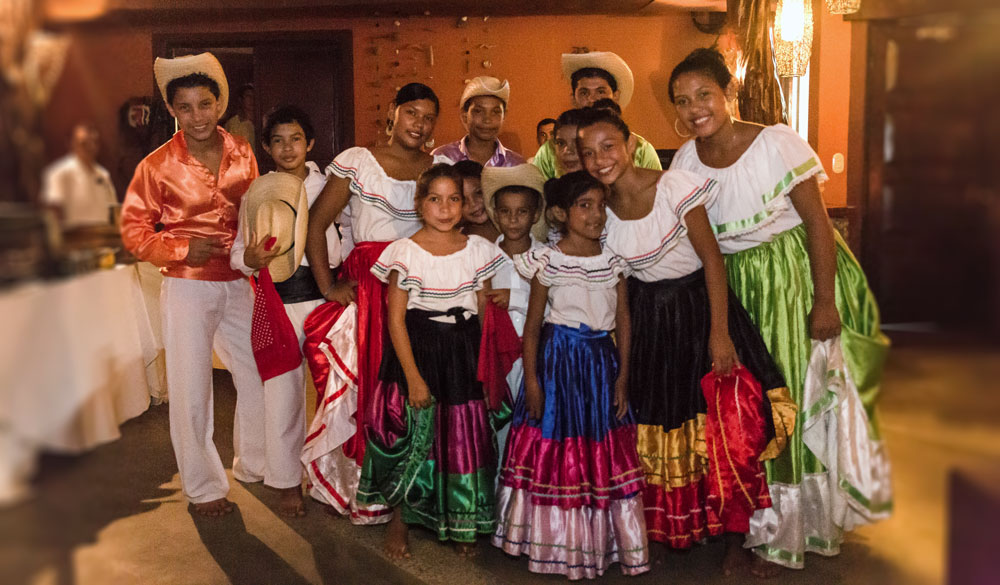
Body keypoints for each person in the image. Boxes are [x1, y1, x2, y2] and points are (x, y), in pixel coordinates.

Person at [667, 47, 891, 570]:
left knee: (788, 399)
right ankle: (747, 524)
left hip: (789, 280)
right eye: (682, 101)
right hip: (730, 289)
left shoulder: (776, 142)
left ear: (730, 94)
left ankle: (793, 527)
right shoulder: (683, 160)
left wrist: (824, 301)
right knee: (743, 411)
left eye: (704, 94)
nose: (694, 107)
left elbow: (817, 223)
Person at [578, 109, 795, 577]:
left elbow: (712, 261)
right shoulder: (597, 213)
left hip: (700, 315)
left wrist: (720, 334)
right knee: (656, 431)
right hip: (649, 327)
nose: (600, 160)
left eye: (608, 147)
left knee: (725, 432)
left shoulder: (674, 186)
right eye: (588, 153)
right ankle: (661, 533)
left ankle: (736, 541)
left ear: (631, 143)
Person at [120, 52, 263, 517]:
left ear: (218, 104)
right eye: (185, 107)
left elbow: (257, 212)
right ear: (173, 111)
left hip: (240, 278)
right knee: (190, 387)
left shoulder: (243, 151)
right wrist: (180, 249)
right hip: (187, 285)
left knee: (260, 372)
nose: (197, 116)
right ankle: (203, 488)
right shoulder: (157, 165)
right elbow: (134, 231)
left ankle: (256, 463)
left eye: (205, 104)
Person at [493, 170, 649, 579]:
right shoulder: (548, 261)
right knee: (556, 449)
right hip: (557, 365)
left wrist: (622, 378)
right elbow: (532, 326)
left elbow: (625, 323)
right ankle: (552, 541)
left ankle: (598, 542)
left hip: (600, 366)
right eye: (585, 206)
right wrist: (531, 380)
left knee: (599, 452)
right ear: (561, 213)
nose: (596, 215)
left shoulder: (613, 262)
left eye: (600, 206)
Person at [356, 163, 506, 559]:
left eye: (454, 199)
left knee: (462, 437)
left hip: (464, 353)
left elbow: (484, 310)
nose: (445, 208)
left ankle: (462, 518)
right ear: (420, 205)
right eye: (435, 199)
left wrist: (488, 367)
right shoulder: (404, 253)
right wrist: (413, 376)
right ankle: (401, 520)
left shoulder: (478, 250)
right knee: (416, 439)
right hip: (418, 351)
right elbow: (394, 318)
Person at [304, 83, 439, 522]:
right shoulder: (358, 161)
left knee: (412, 387)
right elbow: (317, 221)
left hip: (420, 284)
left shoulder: (437, 167)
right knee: (371, 385)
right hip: (370, 283)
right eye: (412, 113)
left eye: (428, 117)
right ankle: (361, 486)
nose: (419, 124)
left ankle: (411, 492)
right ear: (393, 113)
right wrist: (327, 286)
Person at [229, 105, 347, 517]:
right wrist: (251, 258)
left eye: (296, 138)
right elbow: (236, 256)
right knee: (282, 395)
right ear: (266, 147)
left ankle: (332, 474)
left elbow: (344, 242)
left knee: (334, 392)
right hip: (277, 302)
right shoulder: (257, 193)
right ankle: (285, 480)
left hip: (323, 297)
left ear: (310, 143)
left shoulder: (330, 187)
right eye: (277, 140)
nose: (288, 147)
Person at [479, 164, 546, 468]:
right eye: (506, 212)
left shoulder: (547, 256)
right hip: (500, 354)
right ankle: (502, 491)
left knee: (537, 420)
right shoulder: (485, 257)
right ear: (495, 213)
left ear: (535, 214)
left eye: (522, 212)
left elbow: (555, 303)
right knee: (501, 420)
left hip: (539, 353)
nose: (514, 219)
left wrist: (514, 298)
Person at [532, 51, 661, 179]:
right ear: (573, 99)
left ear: (615, 96)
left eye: (600, 91)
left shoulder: (641, 149)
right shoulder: (550, 150)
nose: (592, 99)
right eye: (584, 93)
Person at [432, 76, 525, 167]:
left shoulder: (516, 164)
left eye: (495, 112)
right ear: (464, 116)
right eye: (478, 111)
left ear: (504, 116)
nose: (487, 120)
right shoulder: (442, 158)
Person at [42, 122, 118, 232]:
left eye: (94, 142)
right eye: (84, 143)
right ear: (71, 144)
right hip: (73, 242)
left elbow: (114, 211)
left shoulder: (103, 174)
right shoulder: (59, 173)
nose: (91, 147)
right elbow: (53, 214)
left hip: (104, 240)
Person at [454, 160, 501, 241]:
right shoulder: (463, 244)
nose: (473, 204)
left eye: (478, 193)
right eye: (463, 200)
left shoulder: (512, 225)